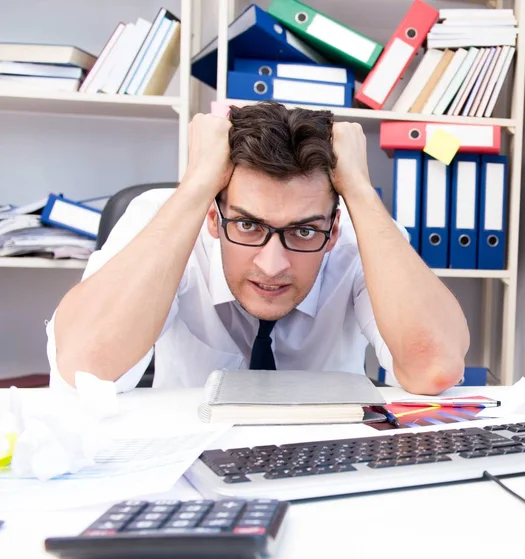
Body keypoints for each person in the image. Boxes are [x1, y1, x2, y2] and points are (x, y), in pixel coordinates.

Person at [48, 101, 469, 395]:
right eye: (248, 224)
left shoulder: (366, 235)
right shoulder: (167, 218)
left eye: (304, 231)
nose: (272, 266)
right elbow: (83, 370)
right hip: (182, 463)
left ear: (334, 226)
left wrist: (359, 189)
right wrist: (197, 186)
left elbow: (434, 368)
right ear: (214, 218)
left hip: (327, 459)